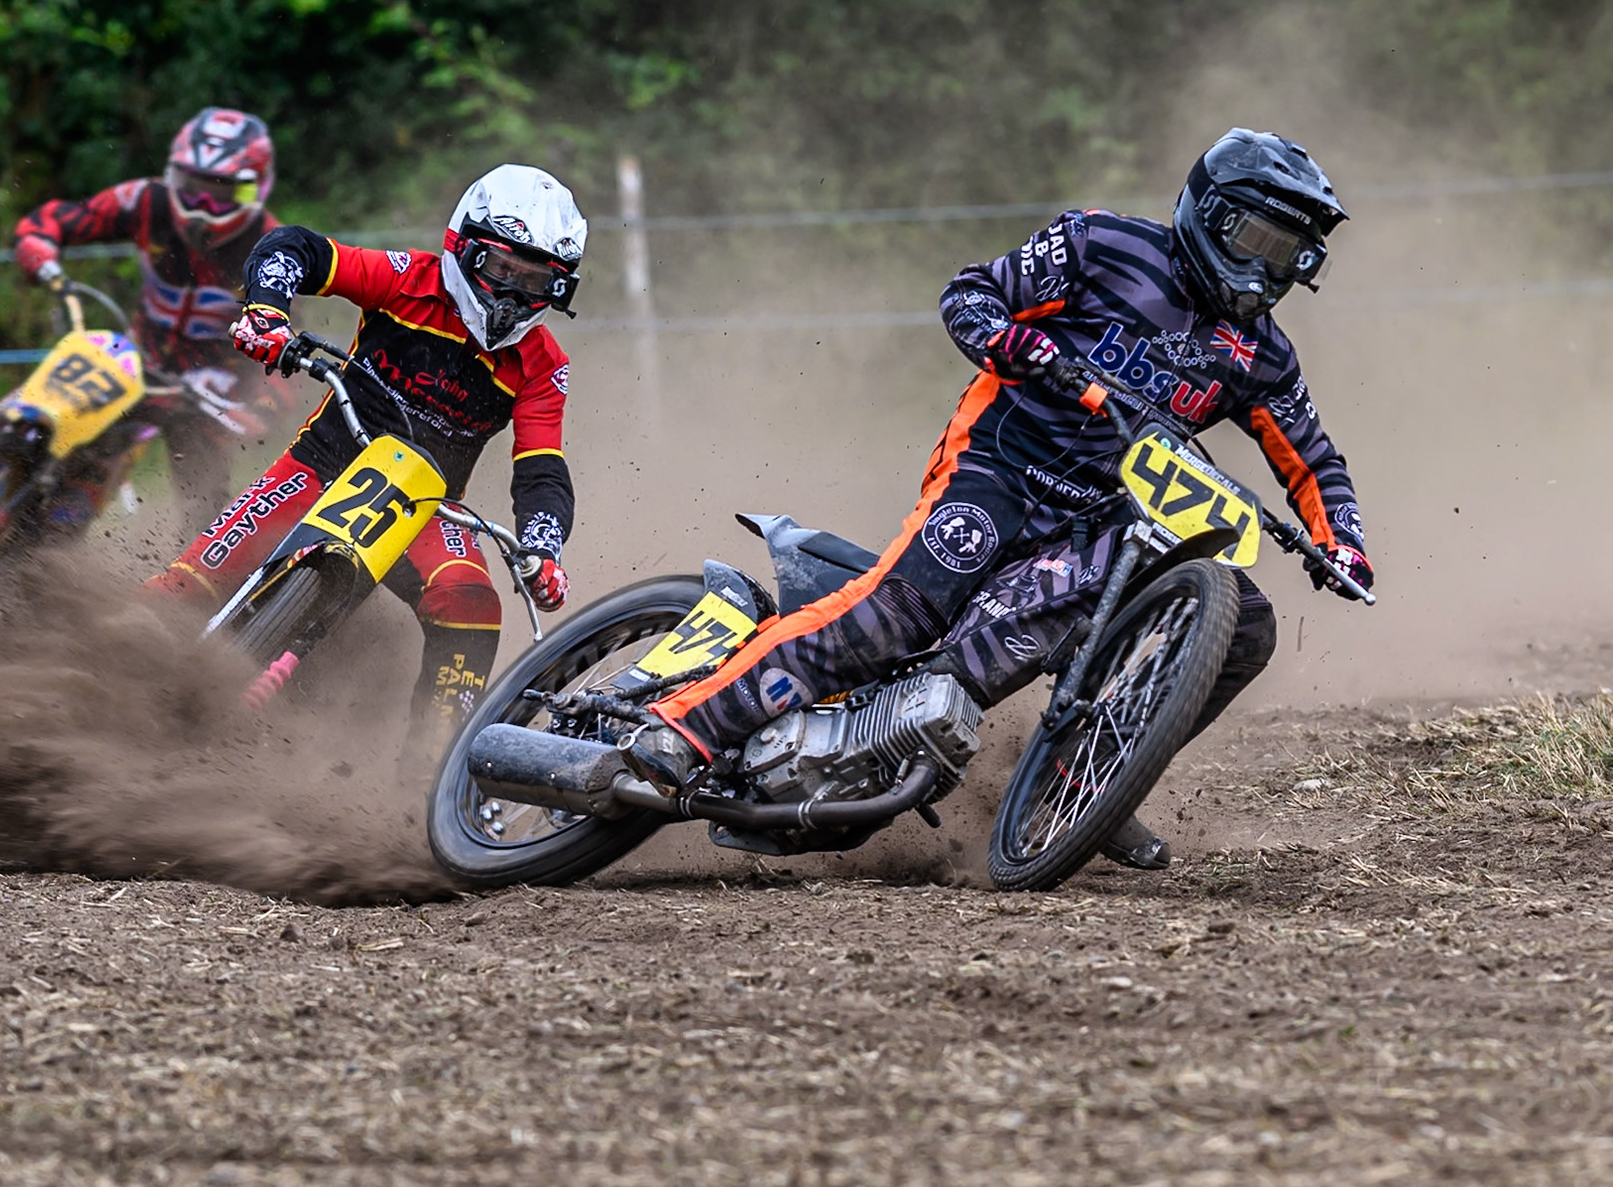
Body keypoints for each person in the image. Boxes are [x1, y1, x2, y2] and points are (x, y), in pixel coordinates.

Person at [638, 128, 1373, 870]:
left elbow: (1313, 458)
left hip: (1103, 513)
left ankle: (1085, 781)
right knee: (896, 619)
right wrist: (1028, 350)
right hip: (999, 462)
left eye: (1289, 254)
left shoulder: (1264, 355)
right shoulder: (1101, 243)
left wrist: (1342, 538)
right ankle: (682, 725)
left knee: (1245, 621)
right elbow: (969, 294)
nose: (1265, 269)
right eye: (1258, 238)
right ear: (1211, 214)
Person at [144, 163, 585, 750]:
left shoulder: (543, 364)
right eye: (502, 270)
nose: (510, 297)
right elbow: (295, 246)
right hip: (322, 465)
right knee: (182, 590)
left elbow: (541, 468)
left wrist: (543, 547)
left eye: (535, 283)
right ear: (464, 246)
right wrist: (266, 312)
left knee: (473, 604)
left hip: (427, 507)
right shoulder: (406, 279)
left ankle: (430, 775)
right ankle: (82, 672)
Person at [9, 106, 284, 525]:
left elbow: (283, 345)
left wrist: (263, 403)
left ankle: (186, 580)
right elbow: (62, 220)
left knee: (204, 506)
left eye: (222, 191)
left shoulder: (274, 251)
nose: (204, 206)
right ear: (173, 176)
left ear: (254, 190)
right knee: (31, 421)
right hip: (136, 357)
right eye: (191, 187)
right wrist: (39, 248)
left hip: (211, 387)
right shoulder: (144, 201)